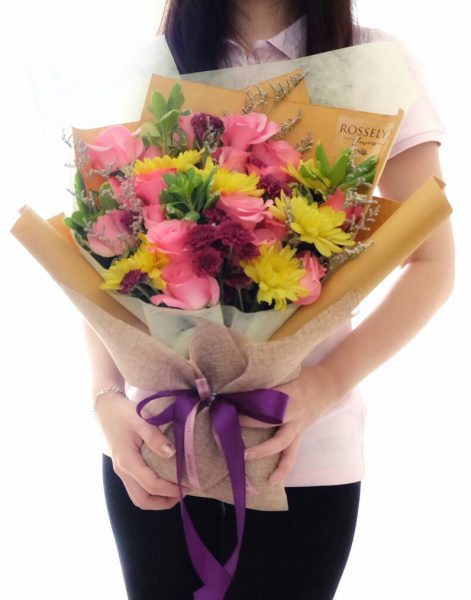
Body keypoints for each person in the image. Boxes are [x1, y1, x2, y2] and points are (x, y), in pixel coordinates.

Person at [86, 1, 455, 598]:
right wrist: (106, 400)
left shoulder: (373, 61)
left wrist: (322, 386)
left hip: (299, 452)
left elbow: (432, 264)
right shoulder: (156, 64)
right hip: (156, 444)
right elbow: (106, 255)